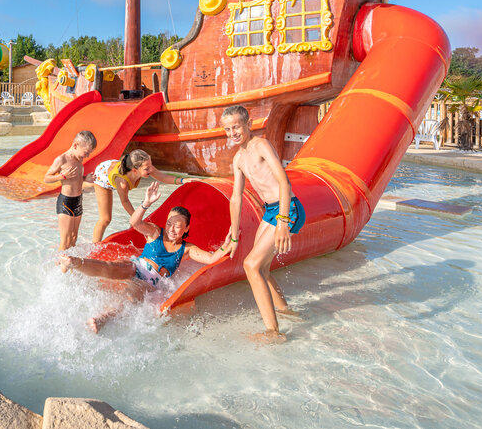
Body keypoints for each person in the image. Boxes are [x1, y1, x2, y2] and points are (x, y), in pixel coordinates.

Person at [58, 181, 226, 333]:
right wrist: (146, 203)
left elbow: (212, 259)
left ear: (186, 228)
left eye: (177, 226)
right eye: (169, 224)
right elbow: (135, 223)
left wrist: (230, 242)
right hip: (136, 266)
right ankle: (76, 262)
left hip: (149, 282)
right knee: (110, 267)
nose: (171, 229)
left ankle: (102, 318)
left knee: (130, 295)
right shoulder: (155, 232)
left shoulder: (187, 249)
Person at [220, 105, 305, 342]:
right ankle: (286, 311)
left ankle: (273, 332)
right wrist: (234, 234)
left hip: (287, 209)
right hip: (269, 210)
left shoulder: (261, 146)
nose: (232, 132)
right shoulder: (238, 158)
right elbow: (236, 198)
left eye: (236, 126)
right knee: (262, 268)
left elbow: (284, 182)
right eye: (227, 129)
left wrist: (283, 223)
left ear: (248, 124)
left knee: (251, 265)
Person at [89, 149, 190, 243]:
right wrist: (138, 219)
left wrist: (182, 181)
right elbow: (125, 201)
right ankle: (94, 246)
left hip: (116, 166)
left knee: (134, 218)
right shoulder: (122, 183)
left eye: (151, 165)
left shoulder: (145, 166)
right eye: (147, 168)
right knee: (105, 219)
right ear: (134, 170)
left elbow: (162, 176)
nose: (151, 169)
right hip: (102, 177)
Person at [43, 130, 98, 250]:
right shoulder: (62, 159)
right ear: (75, 146)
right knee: (65, 240)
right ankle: (59, 267)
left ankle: (70, 267)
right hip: (66, 202)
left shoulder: (79, 159)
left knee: (73, 238)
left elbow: (75, 178)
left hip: (78, 200)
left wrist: (85, 178)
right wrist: (62, 176)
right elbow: (46, 178)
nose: (87, 156)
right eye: (86, 153)